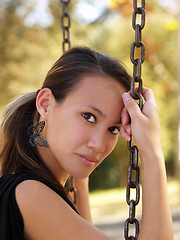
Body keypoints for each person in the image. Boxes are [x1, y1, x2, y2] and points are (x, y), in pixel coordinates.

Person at [0, 46, 173, 240]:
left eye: (113, 129)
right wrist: (151, 151)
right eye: (88, 117)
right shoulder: (29, 194)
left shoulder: (31, 190)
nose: (99, 145)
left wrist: (80, 181)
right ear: (45, 104)